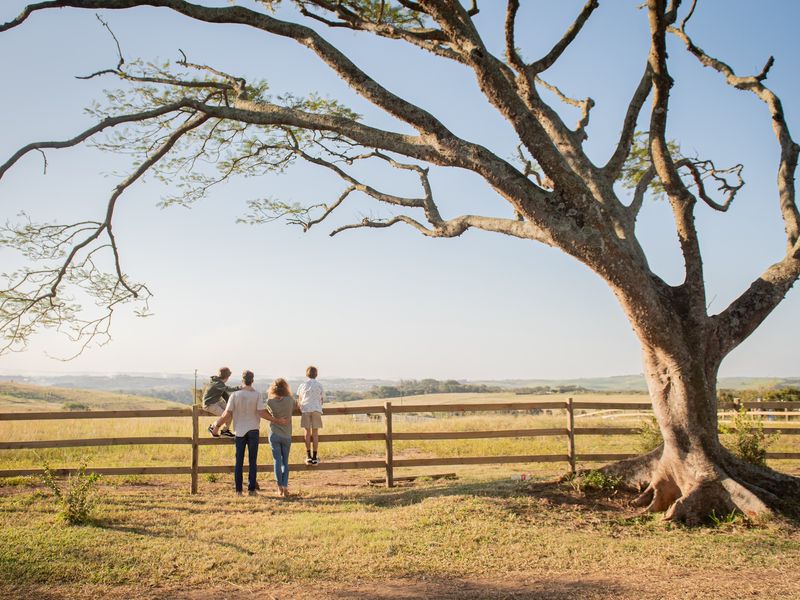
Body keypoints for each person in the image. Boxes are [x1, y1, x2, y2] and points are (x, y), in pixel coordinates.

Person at [209, 370, 288, 496]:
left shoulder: (235, 395)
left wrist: (217, 426)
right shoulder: (256, 395)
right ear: (252, 381)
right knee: (252, 461)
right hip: (253, 430)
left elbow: (227, 413)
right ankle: (251, 490)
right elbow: (262, 413)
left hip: (239, 431)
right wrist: (277, 420)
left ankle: (239, 491)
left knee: (238, 462)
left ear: (242, 380)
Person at [266, 378, 294, 498]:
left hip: (274, 433)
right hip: (286, 434)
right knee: (285, 462)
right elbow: (298, 407)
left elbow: (263, 411)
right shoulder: (290, 400)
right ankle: (285, 486)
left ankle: (279, 488)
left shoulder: (269, 402)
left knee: (277, 461)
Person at [297, 365, 324, 465]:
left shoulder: (302, 385)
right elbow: (321, 399)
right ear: (316, 374)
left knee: (307, 432)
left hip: (306, 409)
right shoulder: (320, 385)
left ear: (307, 374)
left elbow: (299, 400)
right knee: (315, 433)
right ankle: (315, 456)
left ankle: (308, 456)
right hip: (316, 409)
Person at [202, 367, 240, 438]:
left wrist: (231, 405)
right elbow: (229, 389)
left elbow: (225, 396)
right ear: (227, 377)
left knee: (230, 412)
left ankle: (225, 431)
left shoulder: (219, 382)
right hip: (209, 404)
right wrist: (241, 387)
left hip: (216, 401)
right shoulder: (218, 384)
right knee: (227, 415)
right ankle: (213, 427)